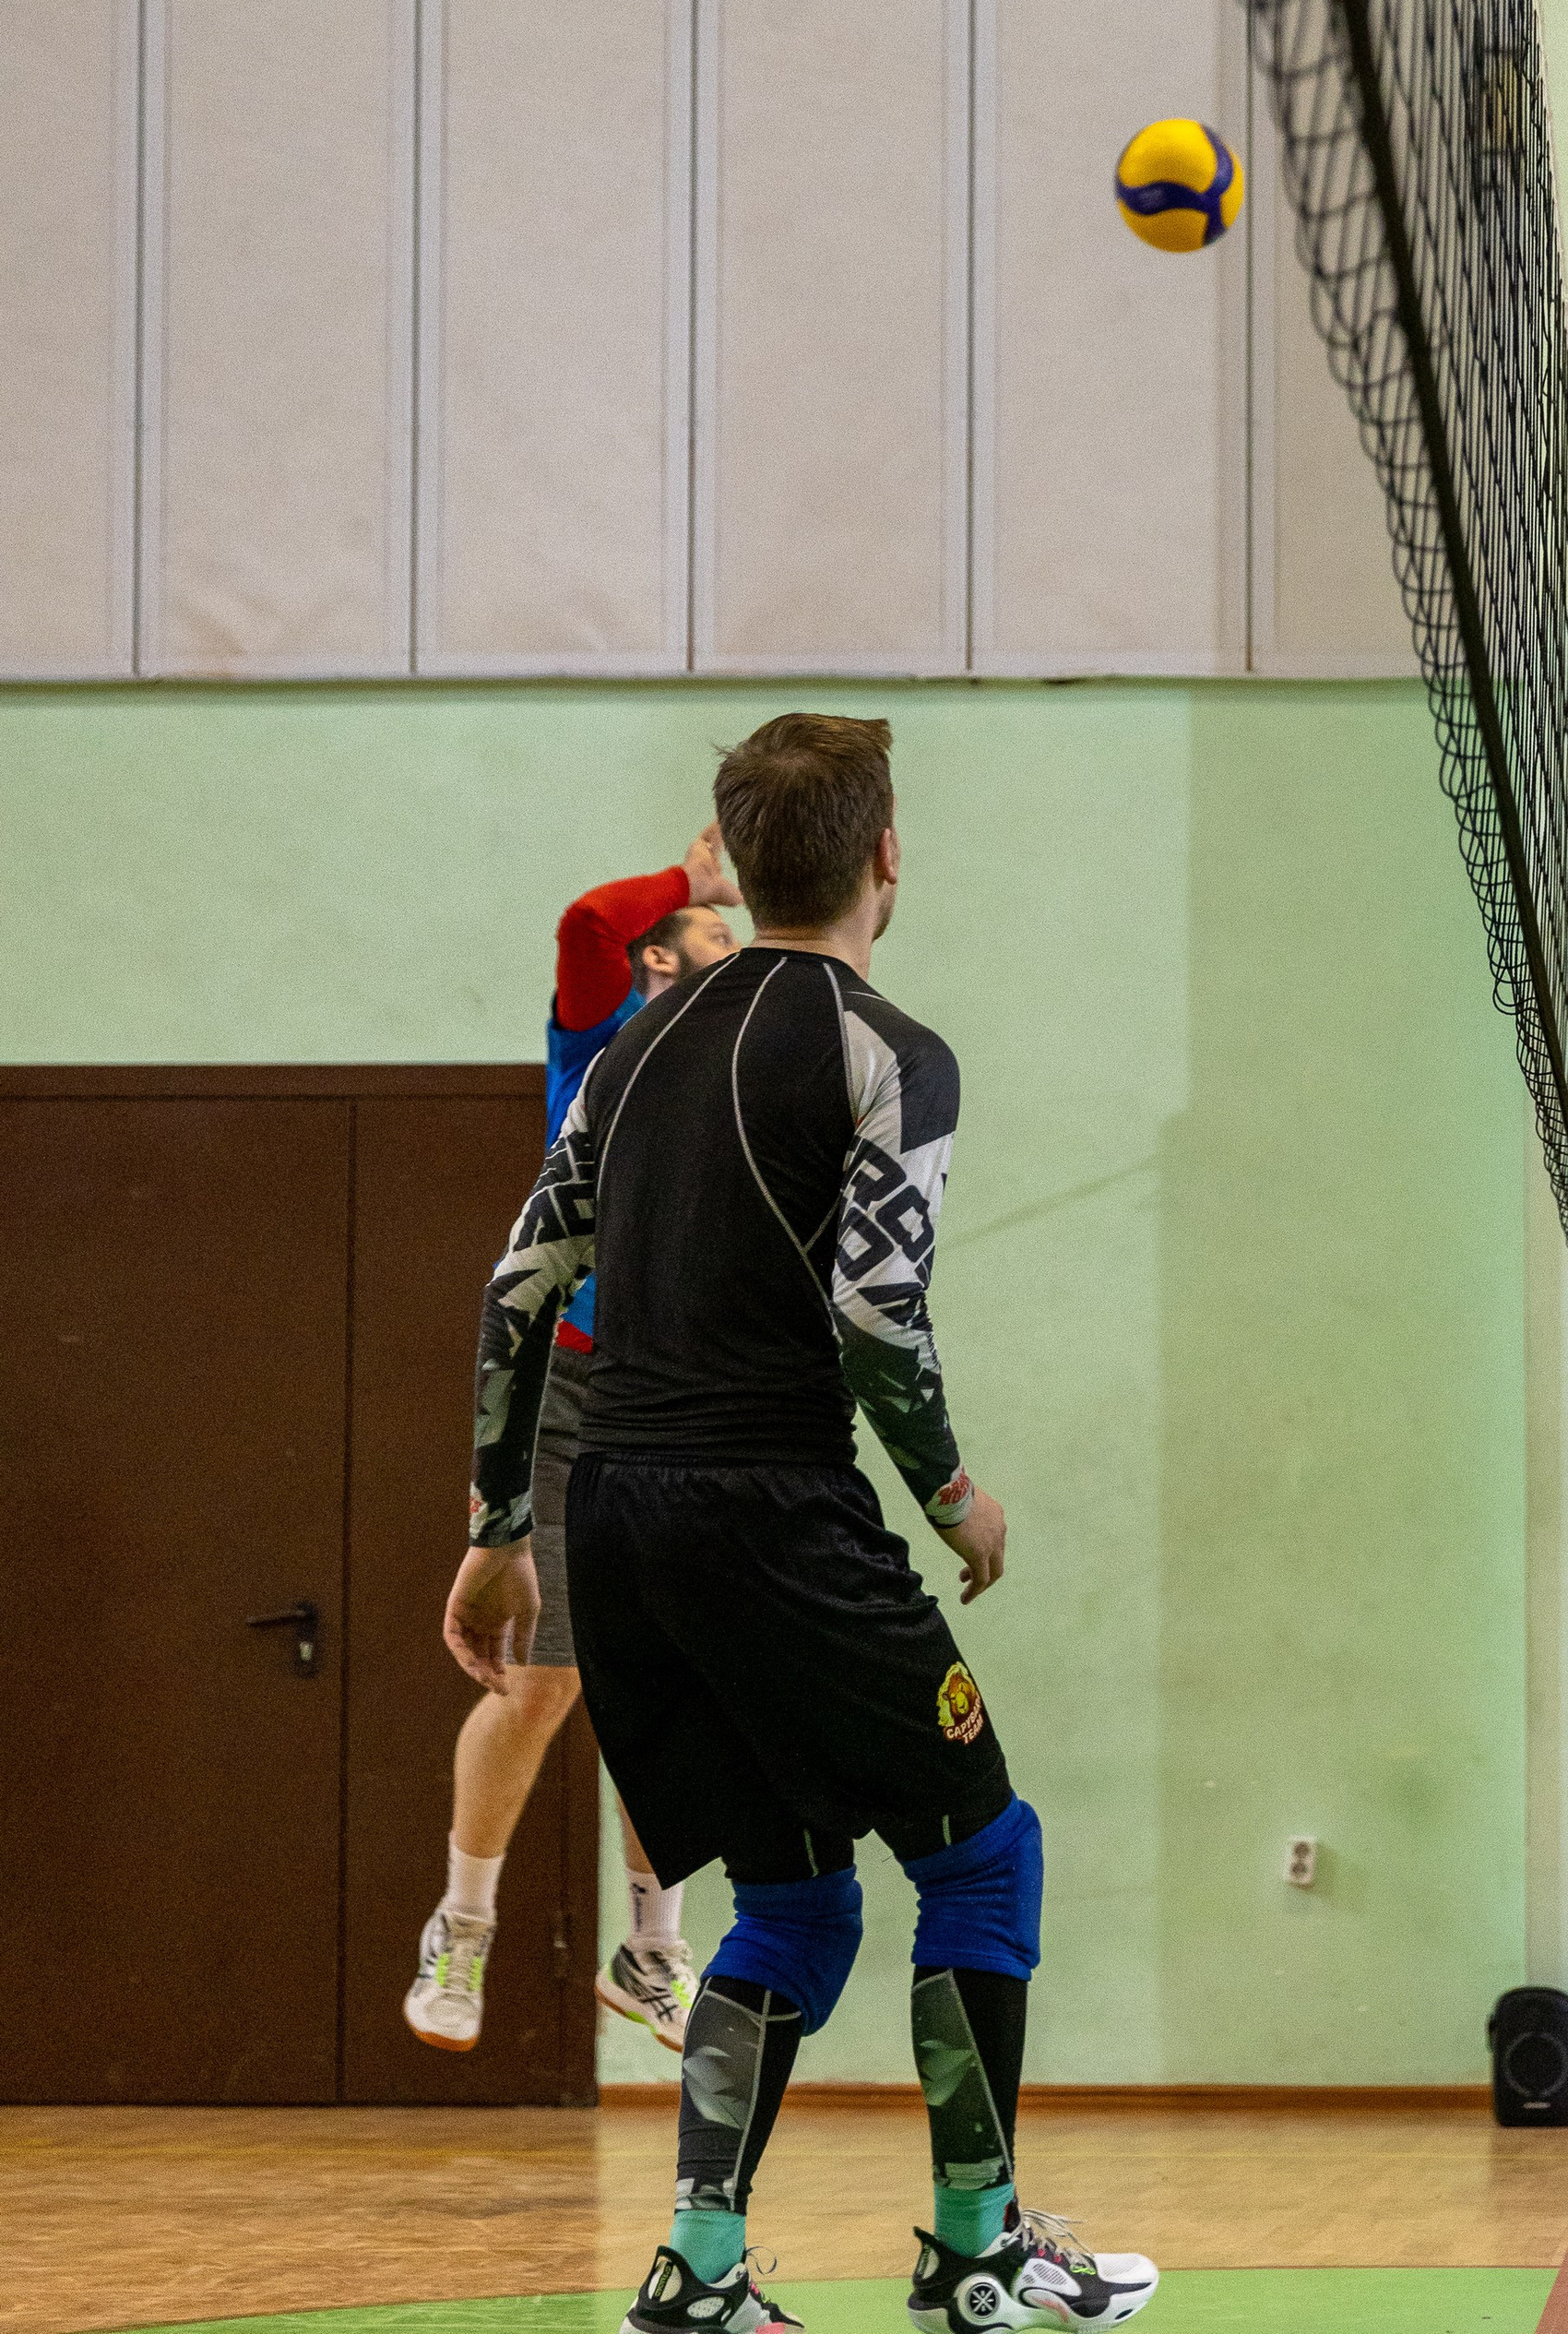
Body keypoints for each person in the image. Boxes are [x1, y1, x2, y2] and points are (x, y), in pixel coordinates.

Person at [439, 714, 1158, 2334]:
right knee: (984, 1857)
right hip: (772, 1509)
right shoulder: (890, 1051)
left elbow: (517, 1288)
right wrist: (952, 1493)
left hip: (616, 1522)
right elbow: (878, 1311)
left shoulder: (631, 1049)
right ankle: (977, 2249)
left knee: (794, 1905)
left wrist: (498, 1525)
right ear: (886, 856)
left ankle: (700, 2270)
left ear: (744, 863)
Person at [404, 829, 742, 2057]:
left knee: (671, 1680)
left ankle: (653, 1949)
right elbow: (587, 924)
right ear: (661, 959)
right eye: (715, 934)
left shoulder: (732, 1069)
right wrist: (693, 878)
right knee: (544, 1677)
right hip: (568, 1385)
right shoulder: (602, 1041)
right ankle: (464, 1924)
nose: (735, 946)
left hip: (674, 1392)